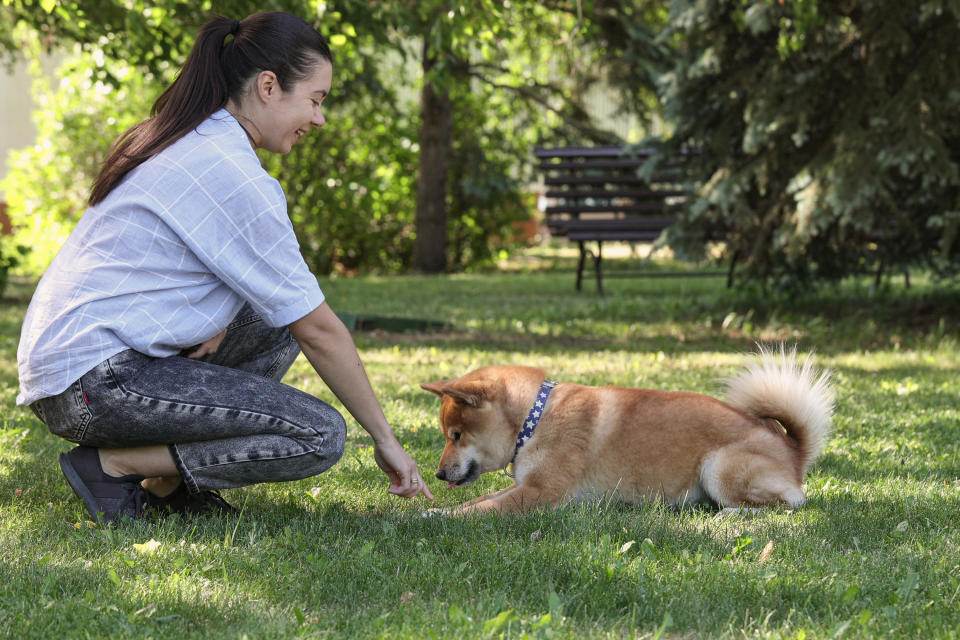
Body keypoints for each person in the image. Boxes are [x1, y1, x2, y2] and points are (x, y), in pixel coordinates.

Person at [15, 11, 434, 524]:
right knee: (319, 434)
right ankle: (113, 465)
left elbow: (272, 297)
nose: (319, 119)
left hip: (78, 372)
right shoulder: (230, 172)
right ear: (267, 86)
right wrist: (385, 439)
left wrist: (217, 317)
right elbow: (321, 331)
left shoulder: (191, 138)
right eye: (315, 100)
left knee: (272, 320)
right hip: (97, 382)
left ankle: (169, 485)